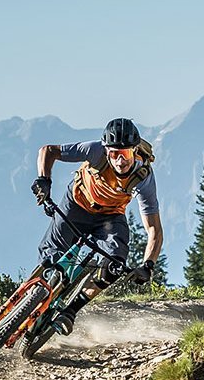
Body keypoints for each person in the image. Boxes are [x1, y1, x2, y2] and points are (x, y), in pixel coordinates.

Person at [29, 117, 163, 334]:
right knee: (50, 257)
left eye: (126, 153)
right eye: (114, 154)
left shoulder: (143, 176)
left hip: (110, 218)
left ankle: (71, 311)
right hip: (76, 205)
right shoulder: (94, 151)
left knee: (114, 264)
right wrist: (44, 180)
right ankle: (33, 297)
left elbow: (154, 229)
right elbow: (48, 151)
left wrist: (148, 265)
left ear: (135, 150)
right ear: (106, 150)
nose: (120, 161)